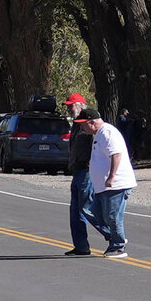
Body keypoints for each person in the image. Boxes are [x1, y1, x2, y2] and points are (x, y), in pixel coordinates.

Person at [85, 107, 135, 259]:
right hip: (102, 187)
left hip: (116, 184)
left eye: (83, 124)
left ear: (91, 122)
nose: (82, 128)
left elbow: (116, 154)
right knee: (91, 212)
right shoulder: (98, 134)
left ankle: (119, 246)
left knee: (112, 217)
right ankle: (115, 237)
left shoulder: (107, 132)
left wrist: (111, 177)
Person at [64, 103, 97, 257]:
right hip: (77, 171)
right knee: (76, 212)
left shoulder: (88, 124)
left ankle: (115, 238)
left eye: (71, 106)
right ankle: (81, 246)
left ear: (80, 105)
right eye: (68, 107)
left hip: (86, 172)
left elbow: (97, 146)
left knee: (88, 209)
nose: (69, 109)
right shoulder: (76, 126)